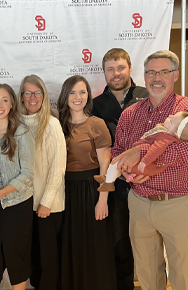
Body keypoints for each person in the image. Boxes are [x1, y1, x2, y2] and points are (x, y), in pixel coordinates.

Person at [111, 50, 188, 290]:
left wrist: (143, 156)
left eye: (163, 72)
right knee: (146, 273)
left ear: (174, 75)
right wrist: (126, 170)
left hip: (176, 203)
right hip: (139, 203)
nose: (157, 78)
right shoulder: (129, 114)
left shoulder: (185, 110)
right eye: (151, 72)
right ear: (143, 77)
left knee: (183, 273)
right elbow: (117, 152)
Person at [91, 48, 148, 290]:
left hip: (147, 179)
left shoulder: (146, 96)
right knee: (119, 242)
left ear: (130, 68)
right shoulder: (94, 105)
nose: (116, 73)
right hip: (114, 184)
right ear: (104, 72)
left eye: (120, 67)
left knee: (148, 241)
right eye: (110, 69)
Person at [57, 75, 116, 290]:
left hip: (91, 191)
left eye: (82, 92)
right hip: (65, 192)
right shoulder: (57, 124)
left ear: (88, 96)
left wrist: (102, 200)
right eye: (72, 92)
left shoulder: (96, 124)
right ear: (65, 96)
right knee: (69, 245)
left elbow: (106, 165)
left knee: (94, 246)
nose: (77, 97)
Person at [0, 83, 34, 290]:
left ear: (12, 103)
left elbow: (28, 174)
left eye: (4, 100)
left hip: (16, 204)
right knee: (5, 253)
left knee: (16, 256)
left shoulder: (21, 131)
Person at [16, 75, 66, 290]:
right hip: (25, 204)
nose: (33, 97)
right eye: (28, 93)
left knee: (48, 259)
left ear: (44, 96)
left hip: (49, 205)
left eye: (37, 93)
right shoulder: (16, 124)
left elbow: (58, 166)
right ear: (21, 96)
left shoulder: (52, 124)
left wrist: (45, 201)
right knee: (33, 258)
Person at [95, 111, 188, 191]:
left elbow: (156, 150)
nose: (170, 116)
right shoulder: (130, 112)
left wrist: (143, 157)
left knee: (116, 162)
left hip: (144, 167)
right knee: (120, 163)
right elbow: (118, 148)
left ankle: (109, 183)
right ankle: (109, 178)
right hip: (138, 194)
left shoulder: (164, 136)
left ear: (175, 133)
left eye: (171, 120)